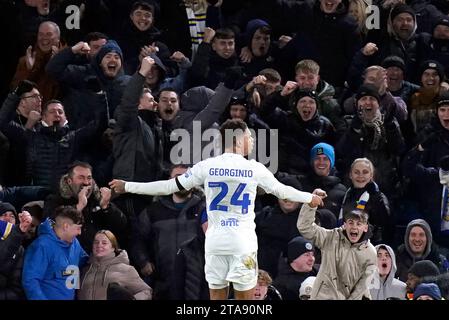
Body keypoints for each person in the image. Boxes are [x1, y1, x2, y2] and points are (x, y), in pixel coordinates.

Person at [110, 118, 322, 300]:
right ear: (238, 139)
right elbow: (282, 190)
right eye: (250, 136)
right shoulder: (253, 168)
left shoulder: (207, 166)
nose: (252, 140)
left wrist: (127, 185)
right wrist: (309, 198)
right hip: (242, 242)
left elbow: (168, 186)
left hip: (215, 241)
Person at [297, 192, 377, 300]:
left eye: (359, 224)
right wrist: (310, 205)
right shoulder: (330, 238)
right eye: (351, 222)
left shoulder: (370, 253)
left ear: (365, 228)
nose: (354, 227)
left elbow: (362, 286)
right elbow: (305, 227)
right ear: (344, 225)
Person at [44, 161, 127, 252]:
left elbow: (121, 225)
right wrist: (78, 207)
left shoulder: (97, 199)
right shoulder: (55, 200)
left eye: (89, 178)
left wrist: (106, 206)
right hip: (68, 254)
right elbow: (49, 227)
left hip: (98, 255)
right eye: (81, 178)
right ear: (69, 181)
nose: (86, 183)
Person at [22, 206, 88, 300]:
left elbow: (86, 260)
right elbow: (30, 281)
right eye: (78, 228)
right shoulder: (41, 246)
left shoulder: (75, 244)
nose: (80, 232)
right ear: (66, 226)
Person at [78, 230, 152, 300]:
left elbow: (146, 291)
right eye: (96, 242)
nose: (99, 245)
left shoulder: (126, 270)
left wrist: (133, 299)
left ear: (113, 247)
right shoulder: (85, 270)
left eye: (104, 243)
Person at [273, 236, 317, 300]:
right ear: (294, 258)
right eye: (307, 255)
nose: (312, 259)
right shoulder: (282, 286)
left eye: (312, 255)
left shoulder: (319, 273)